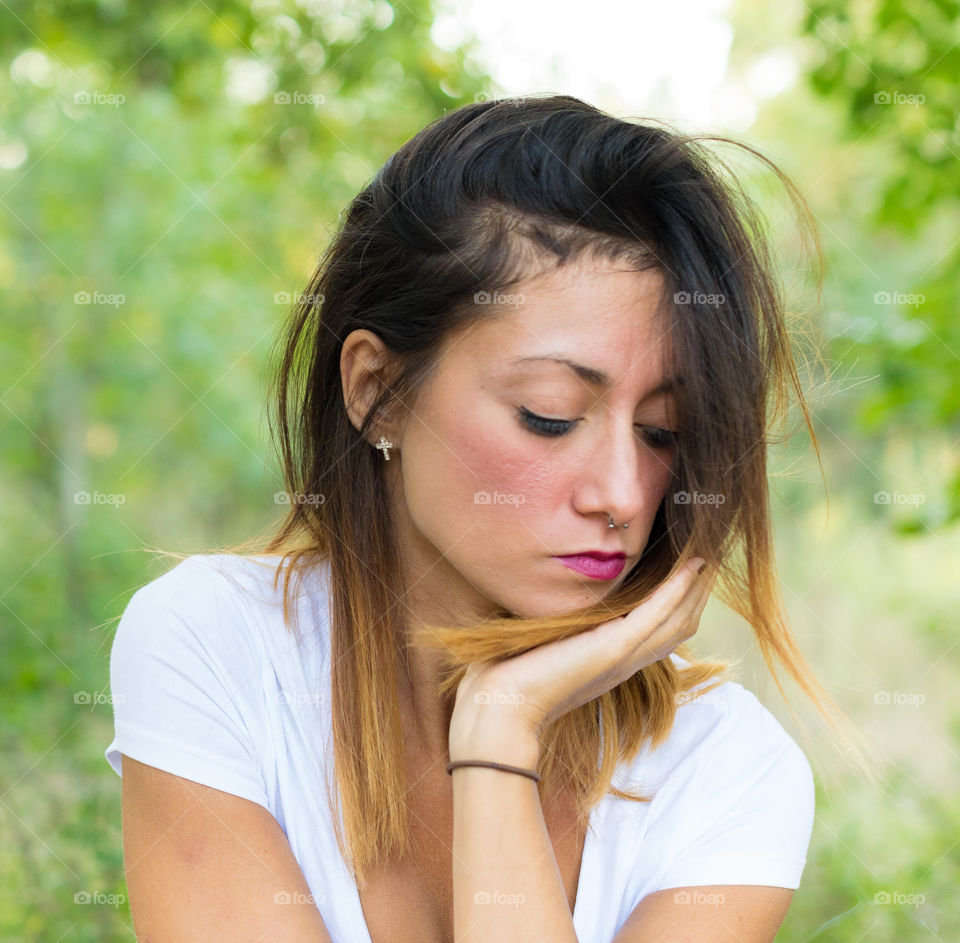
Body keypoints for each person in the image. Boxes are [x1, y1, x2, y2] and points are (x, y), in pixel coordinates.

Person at [104, 94, 871, 942]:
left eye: (663, 432)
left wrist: (500, 729)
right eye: (549, 415)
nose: (622, 493)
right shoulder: (218, 647)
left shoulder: (726, 770)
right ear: (378, 391)